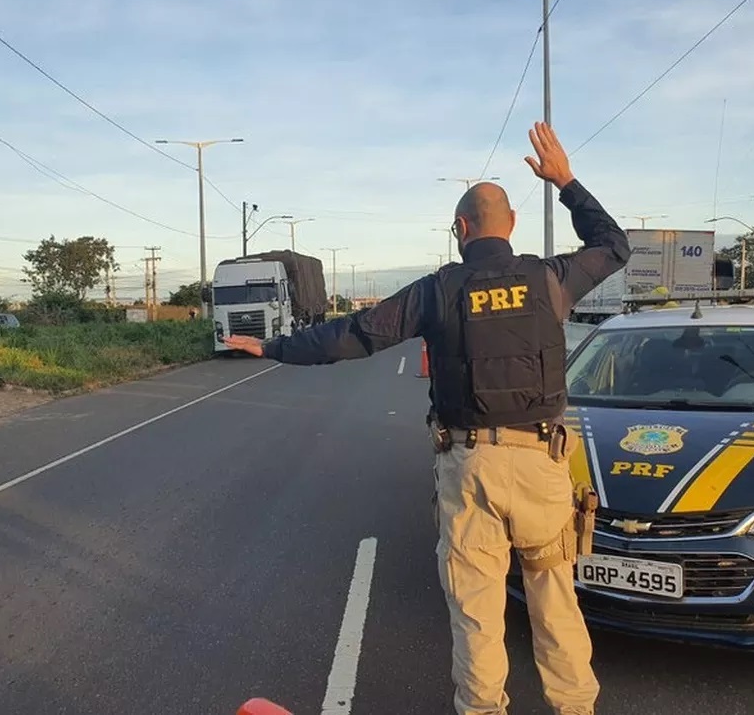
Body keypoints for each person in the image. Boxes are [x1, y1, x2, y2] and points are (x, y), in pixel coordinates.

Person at [223, 122, 630, 715]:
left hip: (471, 467)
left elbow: (355, 335)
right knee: (554, 598)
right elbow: (615, 245)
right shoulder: (552, 278)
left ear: (460, 230)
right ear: (511, 225)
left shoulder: (440, 290)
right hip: (544, 465)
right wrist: (565, 181)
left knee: (477, 609)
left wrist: (276, 347)